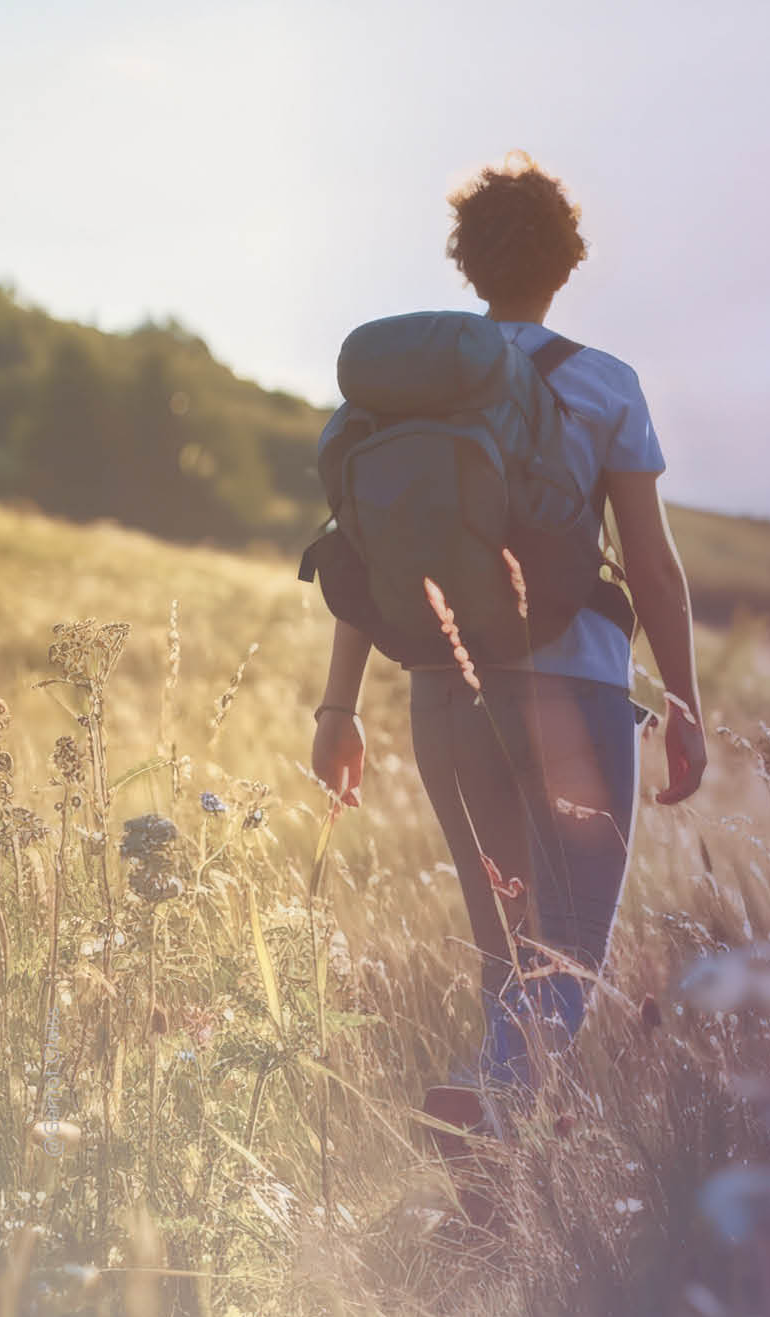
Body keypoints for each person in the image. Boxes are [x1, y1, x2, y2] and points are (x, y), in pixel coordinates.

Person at [309, 155, 706, 1141]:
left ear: (467, 262)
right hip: (574, 689)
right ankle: (486, 1101)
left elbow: (370, 551)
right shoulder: (604, 384)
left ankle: (493, 1184)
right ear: (566, 264)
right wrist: (686, 704)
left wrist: (338, 707)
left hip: (442, 691)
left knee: (509, 956)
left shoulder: (402, 397)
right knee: (565, 954)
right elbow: (652, 568)